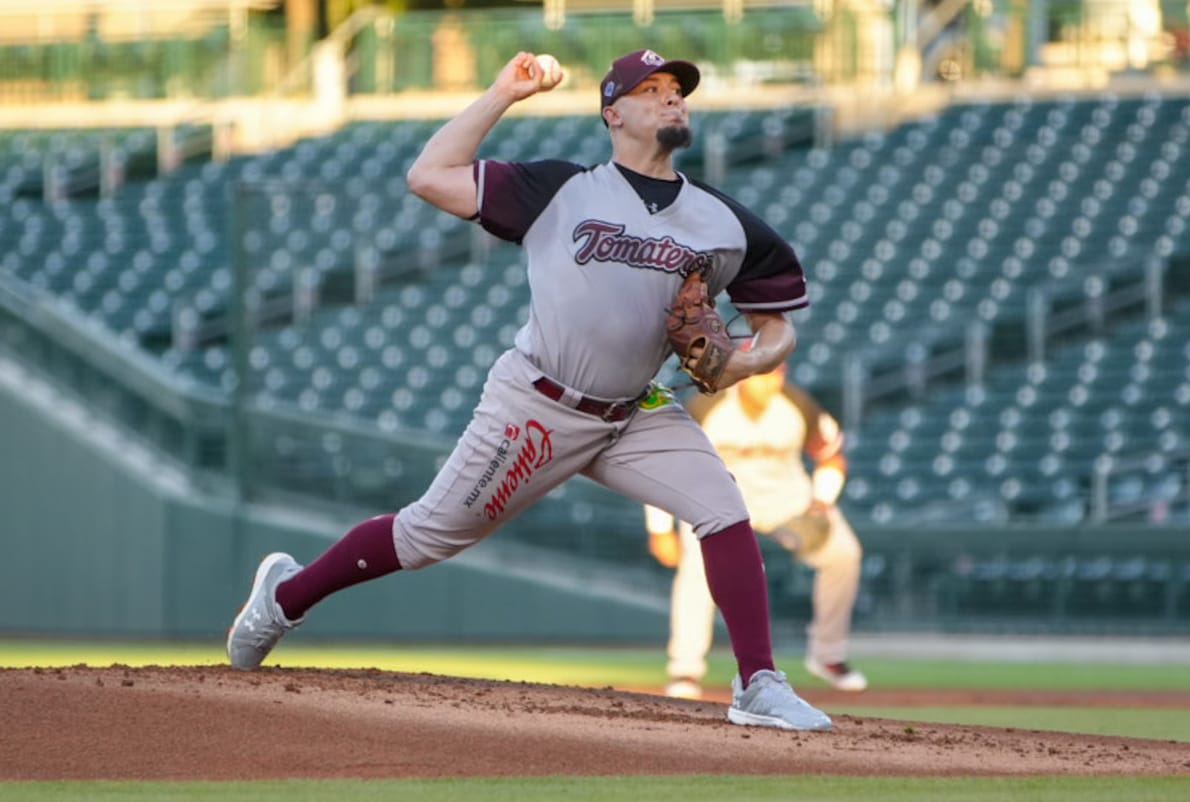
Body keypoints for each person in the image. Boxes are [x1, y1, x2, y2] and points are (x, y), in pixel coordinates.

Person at [226, 49, 833, 731]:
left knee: (723, 507)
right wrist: (501, 93)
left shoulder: (725, 223)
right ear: (613, 112)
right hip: (539, 404)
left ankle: (758, 684)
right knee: (428, 535)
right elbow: (429, 176)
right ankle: (285, 597)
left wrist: (748, 362)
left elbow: (775, 327)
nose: (672, 100)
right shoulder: (560, 190)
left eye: (678, 91)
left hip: (636, 410)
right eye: (652, 89)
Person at [645, 364, 868, 699]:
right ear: (743, 374)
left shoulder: (797, 403)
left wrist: (823, 499)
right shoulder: (707, 405)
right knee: (696, 570)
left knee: (845, 553)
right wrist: (660, 528)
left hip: (788, 501)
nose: (769, 381)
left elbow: (832, 456)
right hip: (722, 499)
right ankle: (685, 669)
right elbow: (668, 462)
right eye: (761, 373)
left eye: (775, 373)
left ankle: (829, 655)